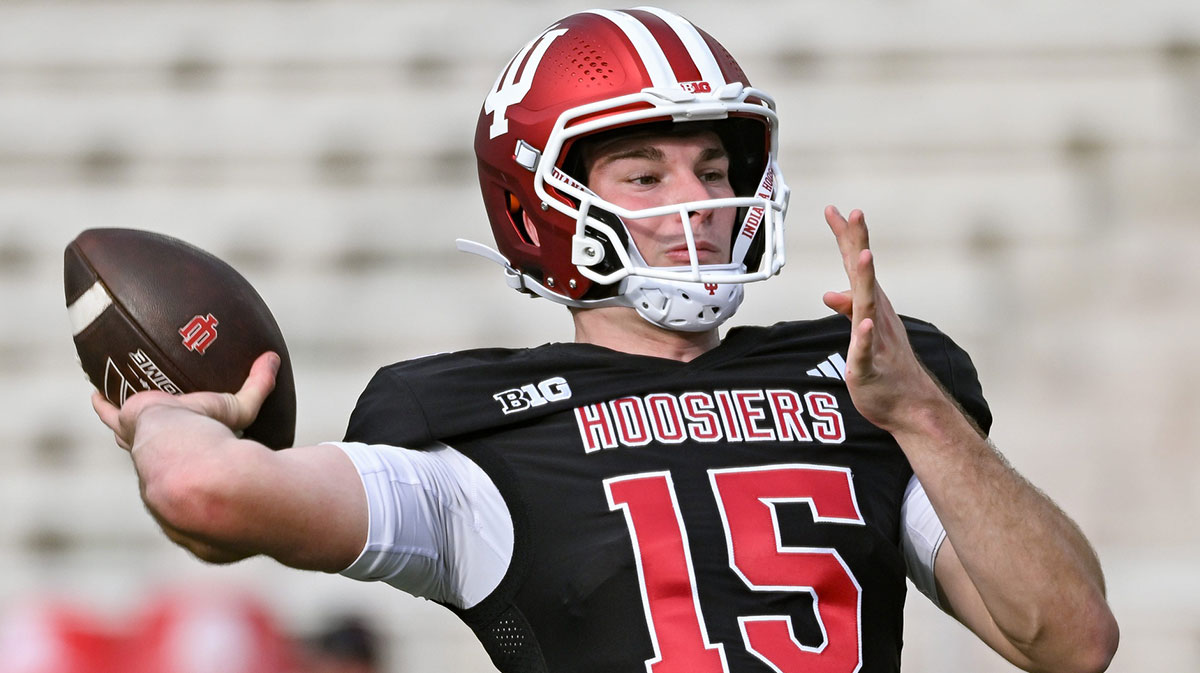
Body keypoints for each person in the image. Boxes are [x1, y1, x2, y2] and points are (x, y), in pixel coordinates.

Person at [90, 7, 1119, 673]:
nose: (699, 202)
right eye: (646, 174)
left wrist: (923, 417)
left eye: (715, 169)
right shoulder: (467, 431)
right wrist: (171, 416)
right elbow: (204, 494)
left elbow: (1070, 639)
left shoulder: (864, 386)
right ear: (540, 205)